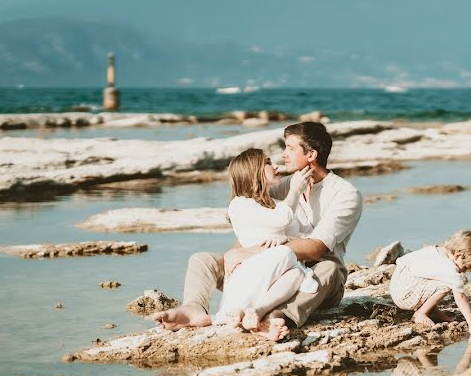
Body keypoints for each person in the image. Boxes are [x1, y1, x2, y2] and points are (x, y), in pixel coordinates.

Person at [153, 122, 363, 340]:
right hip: (267, 269)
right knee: (203, 260)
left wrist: (251, 252)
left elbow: (316, 249)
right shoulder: (285, 185)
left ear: (311, 154)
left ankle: (275, 316)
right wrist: (236, 251)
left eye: (290, 148)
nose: (284, 155)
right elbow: (254, 225)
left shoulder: (344, 194)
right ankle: (193, 308)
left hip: (314, 279)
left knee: (329, 269)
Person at [213, 148, 319, 337]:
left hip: (278, 271)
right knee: (285, 253)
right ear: (254, 172)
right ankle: (239, 311)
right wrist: (294, 191)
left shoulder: (278, 203)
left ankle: (257, 312)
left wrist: (287, 239)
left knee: (298, 273)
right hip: (249, 273)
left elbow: (304, 233)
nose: (276, 165)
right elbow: (282, 219)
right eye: (268, 163)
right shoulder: (239, 204)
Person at [388, 230, 471, 337]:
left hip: (396, 286)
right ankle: (421, 314)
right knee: (447, 285)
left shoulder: (435, 250)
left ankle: (433, 311)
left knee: (440, 279)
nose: (464, 271)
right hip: (405, 296)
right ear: (457, 256)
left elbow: (402, 261)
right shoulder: (449, 268)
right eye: (465, 266)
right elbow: (460, 297)